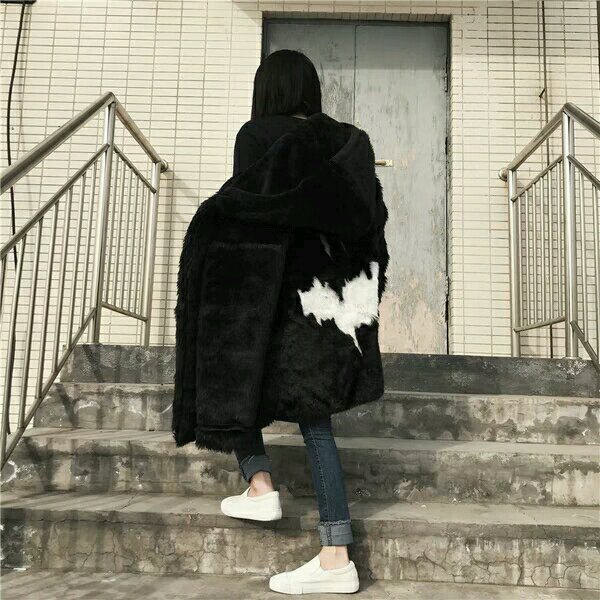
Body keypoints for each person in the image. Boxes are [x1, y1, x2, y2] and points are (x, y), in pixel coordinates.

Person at [173, 47, 388, 596]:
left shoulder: (256, 136)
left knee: (227, 373)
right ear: (310, 89)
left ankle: (261, 483)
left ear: (266, 89)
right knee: (316, 422)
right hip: (325, 306)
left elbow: (244, 218)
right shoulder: (347, 145)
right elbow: (369, 230)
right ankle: (335, 549)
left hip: (267, 297)